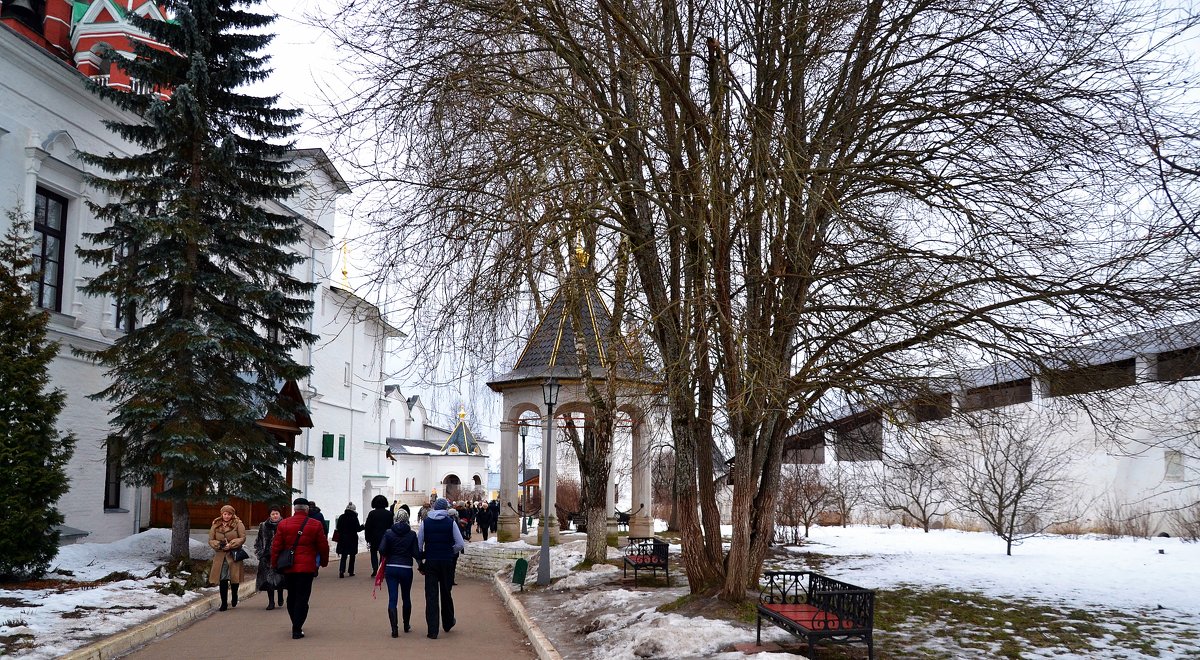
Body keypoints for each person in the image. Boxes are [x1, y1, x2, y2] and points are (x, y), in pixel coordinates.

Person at [272, 498, 330, 640]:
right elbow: (323, 546)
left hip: (289, 567)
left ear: (294, 509)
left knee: (291, 596)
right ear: (307, 509)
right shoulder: (315, 525)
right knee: (303, 597)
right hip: (307, 568)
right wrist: (323, 562)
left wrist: (274, 564)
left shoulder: (283, 524)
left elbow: (276, 546)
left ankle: (295, 622)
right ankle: (297, 627)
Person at [417, 497, 464, 639]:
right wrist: (450, 551)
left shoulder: (425, 523)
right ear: (445, 508)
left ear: (434, 508)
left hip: (431, 561)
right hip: (446, 562)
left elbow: (419, 544)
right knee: (446, 592)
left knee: (431, 595)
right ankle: (448, 622)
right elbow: (460, 543)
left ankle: (432, 630)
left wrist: (421, 561)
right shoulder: (451, 523)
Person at [377, 509, 421, 637]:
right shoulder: (412, 534)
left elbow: (382, 549)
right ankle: (406, 625)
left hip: (391, 567)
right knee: (406, 597)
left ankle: (394, 629)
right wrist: (421, 564)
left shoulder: (389, 533)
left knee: (392, 598)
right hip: (406, 568)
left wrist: (389, 555)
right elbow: (416, 553)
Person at [208, 504, 247, 612]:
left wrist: (232, 544)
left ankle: (234, 595)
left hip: (233, 553)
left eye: (229, 514)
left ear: (232, 514)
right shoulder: (216, 524)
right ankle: (224, 603)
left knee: (234, 578)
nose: (227, 516)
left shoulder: (238, 524)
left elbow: (242, 537)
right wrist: (219, 544)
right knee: (222, 578)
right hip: (221, 555)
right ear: (222, 514)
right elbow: (211, 539)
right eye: (225, 514)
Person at [254, 506, 286, 610]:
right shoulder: (263, 526)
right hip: (266, 557)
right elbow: (258, 540)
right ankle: (271, 602)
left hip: (281, 556)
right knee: (268, 580)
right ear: (269, 515)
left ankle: (280, 595)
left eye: (277, 513)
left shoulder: (285, 524)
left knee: (280, 578)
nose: (275, 516)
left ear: (280, 514)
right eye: (273, 514)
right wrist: (260, 553)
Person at [364, 494, 394, 576]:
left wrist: (367, 538)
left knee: (373, 553)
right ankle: (382, 569)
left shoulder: (372, 513)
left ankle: (375, 569)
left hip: (374, 537)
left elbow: (368, 526)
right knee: (383, 554)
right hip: (385, 537)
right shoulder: (389, 514)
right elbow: (392, 527)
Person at [335, 502, 364, 578]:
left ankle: (341, 571)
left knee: (343, 556)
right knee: (352, 555)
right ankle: (351, 571)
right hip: (352, 538)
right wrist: (363, 526)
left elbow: (338, 527)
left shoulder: (341, 517)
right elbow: (358, 529)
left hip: (343, 538)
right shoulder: (354, 518)